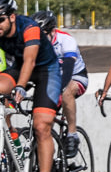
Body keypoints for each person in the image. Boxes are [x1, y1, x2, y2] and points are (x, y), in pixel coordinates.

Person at [0, 0, 61, 172]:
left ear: (12, 17)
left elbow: (30, 60)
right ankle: (11, 137)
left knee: (42, 125)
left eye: (0, 20)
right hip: (18, 67)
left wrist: (21, 87)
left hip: (45, 70)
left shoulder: (30, 27)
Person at [32, 10, 87, 159]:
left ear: (52, 31)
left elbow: (68, 68)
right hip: (51, 79)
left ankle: (72, 133)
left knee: (66, 90)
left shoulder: (66, 40)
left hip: (76, 76)